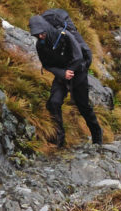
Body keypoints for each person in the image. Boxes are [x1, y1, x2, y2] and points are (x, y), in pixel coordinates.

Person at [30, 9, 105, 147]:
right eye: (37, 35)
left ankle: (97, 136)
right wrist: (62, 74)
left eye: (42, 33)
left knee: (83, 106)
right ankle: (59, 140)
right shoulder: (40, 45)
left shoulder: (64, 35)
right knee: (53, 103)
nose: (40, 36)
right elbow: (46, 65)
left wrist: (70, 71)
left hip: (78, 72)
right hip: (62, 76)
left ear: (46, 28)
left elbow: (79, 57)